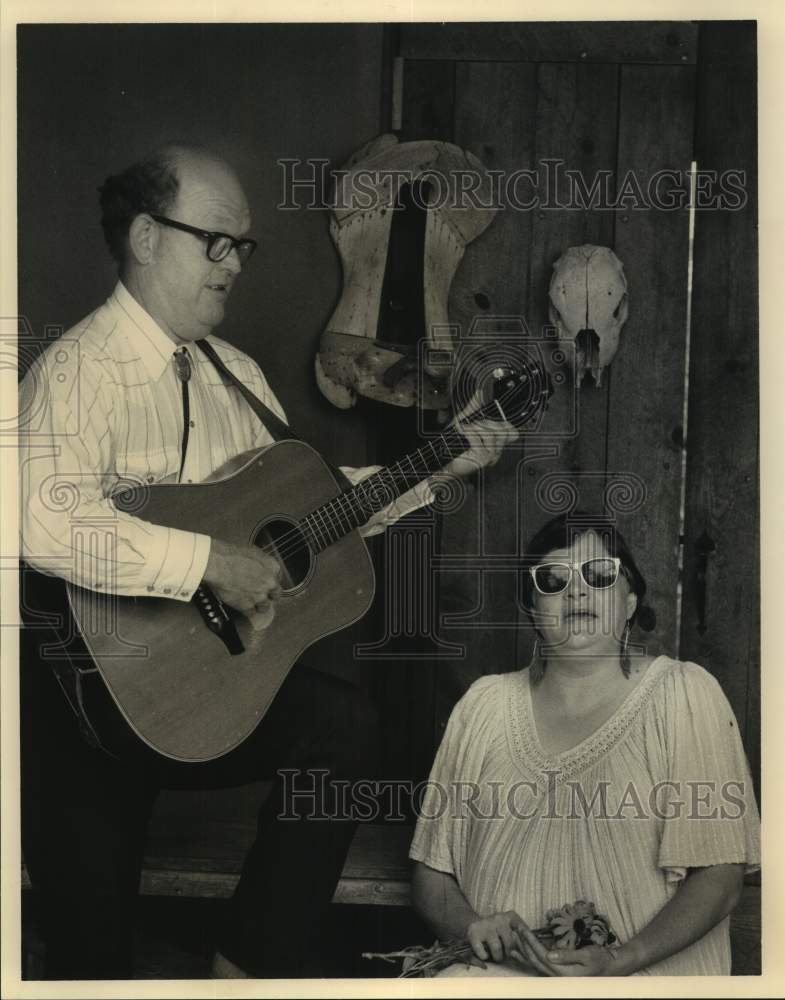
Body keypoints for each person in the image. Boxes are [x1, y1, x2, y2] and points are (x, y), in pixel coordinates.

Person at [18, 144, 516, 980]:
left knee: (344, 728)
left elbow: (303, 508)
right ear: (145, 237)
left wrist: (438, 466)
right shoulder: (75, 371)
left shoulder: (234, 374)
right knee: (88, 969)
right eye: (214, 240)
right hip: (90, 712)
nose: (233, 264)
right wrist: (208, 562)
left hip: (206, 697)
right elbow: (33, 519)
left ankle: (248, 963)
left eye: (242, 246)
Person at [409, 511, 760, 976]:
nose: (576, 590)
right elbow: (432, 875)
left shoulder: (683, 694)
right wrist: (473, 926)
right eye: (553, 580)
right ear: (532, 607)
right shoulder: (483, 705)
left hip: (642, 980)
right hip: (498, 979)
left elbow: (721, 877)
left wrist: (620, 960)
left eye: (599, 574)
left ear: (630, 601)